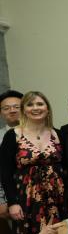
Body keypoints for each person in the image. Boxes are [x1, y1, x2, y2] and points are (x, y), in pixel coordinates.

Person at [0, 91, 65, 234]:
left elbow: (64, 166)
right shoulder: (14, 135)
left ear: (47, 108)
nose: (35, 108)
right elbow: (5, 172)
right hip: (27, 198)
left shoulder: (55, 133)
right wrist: (12, 202)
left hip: (55, 196)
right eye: (30, 105)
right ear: (24, 110)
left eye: (39, 104)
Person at [0, 89, 23, 218]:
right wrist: (2, 200)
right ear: (1, 112)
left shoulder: (41, 131)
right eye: (6, 108)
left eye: (16, 107)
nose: (12, 110)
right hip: (10, 198)